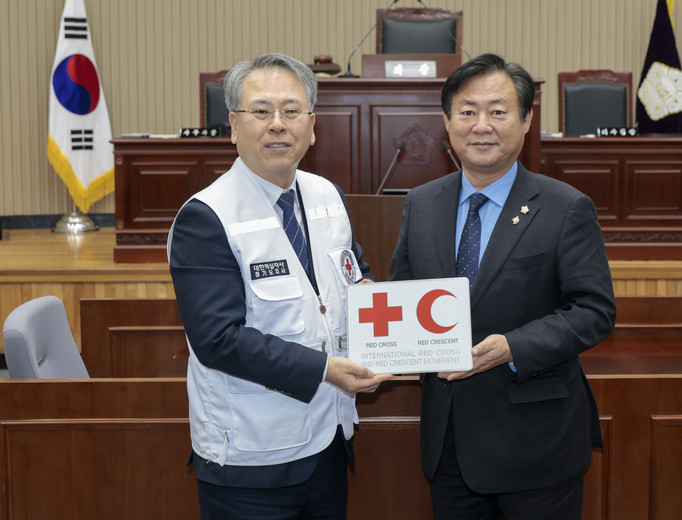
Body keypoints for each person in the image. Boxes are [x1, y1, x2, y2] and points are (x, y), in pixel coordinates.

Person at [389, 53, 617, 519]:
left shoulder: (565, 207)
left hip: (537, 445)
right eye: (467, 111)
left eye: (498, 111)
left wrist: (513, 347)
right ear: (447, 121)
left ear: (527, 119)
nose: (481, 126)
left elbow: (594, 310)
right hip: (450, 444)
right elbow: (402, 296)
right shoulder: (422, 203)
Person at [167, 53, 392, 520]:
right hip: (251, 458)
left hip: (328, 442)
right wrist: (324, 369)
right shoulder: (206, 217)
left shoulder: (327, 195)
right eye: (261, 111)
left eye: (291, 111)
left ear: (312, 126)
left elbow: (352, 275)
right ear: (233, 125)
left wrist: (383, 315)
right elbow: (218, 340)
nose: (277, 124)